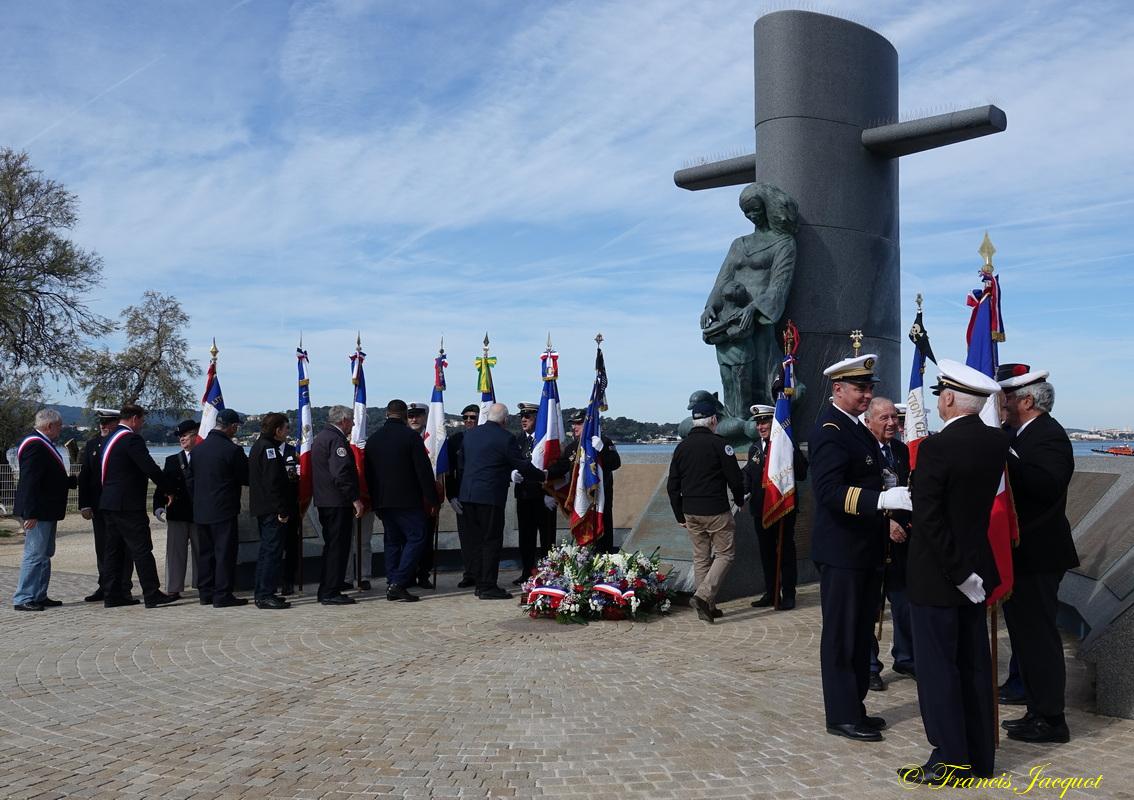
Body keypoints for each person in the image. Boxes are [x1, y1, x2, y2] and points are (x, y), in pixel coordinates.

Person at [901, 360, 1009, 785]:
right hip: (977, 573)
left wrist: (959, 572)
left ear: (948, 398)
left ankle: (950, 759)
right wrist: (968, 573)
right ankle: (980, 757)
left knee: (939, 671)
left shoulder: (937, 448)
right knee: (974, 665)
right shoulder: (997, 442)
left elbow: (930, 520)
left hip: (940, 576)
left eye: (940, 396)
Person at [809, 353, 911, 742]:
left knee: (859, 632)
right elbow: (829, 492)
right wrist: (880, 501)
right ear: (838, 389)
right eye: (860, 388)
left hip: (865, 549)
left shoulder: (857, 430)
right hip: (842, 551)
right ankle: (841, 715)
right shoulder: (830, 431)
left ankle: (856, 706)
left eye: (869, 388)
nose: (867, 395)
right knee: (842, 635)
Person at [998, 365, 1078, 744]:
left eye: (1007, 398)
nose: (1001, 404)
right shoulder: (1020, 434)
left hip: (1039, 555)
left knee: (1040, 639)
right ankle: (1035, 709)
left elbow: (1047, 485)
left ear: (1027, 401)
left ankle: (1052, 719)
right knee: (1025, 638)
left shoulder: (1050, 436)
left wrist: (1005, 453)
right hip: (1021, 554)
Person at [666, 400, 745, 624]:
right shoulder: (720, 445)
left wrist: (679, 514)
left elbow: (672, 486)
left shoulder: (681, 448)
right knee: (725, 554)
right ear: (713, 420)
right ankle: (703, 596)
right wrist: (739, 499)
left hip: (690, 511)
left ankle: (707, 607)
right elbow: (735, 478)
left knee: (701, 558)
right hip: (715, 510)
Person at [458, 403, 546, 599]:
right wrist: (543, 476)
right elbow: (521, 465)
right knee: (491, 541)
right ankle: (487, 586)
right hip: (489, 497)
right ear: (505, 420)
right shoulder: (506, 438)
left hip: (467, 495)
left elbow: (462, 464)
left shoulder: (470, 435)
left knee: (476, 542)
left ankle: (479, 582)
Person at [98, 404, 179, 609]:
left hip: (109, 501)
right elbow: (150, 467)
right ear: (134, 418)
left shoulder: (109, 438)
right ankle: (152, 593)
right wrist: (169, 489)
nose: (142, 424)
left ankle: (112, 594)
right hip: (128, 504)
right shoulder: (131, 439)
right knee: (142, 548)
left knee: (113, 551)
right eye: (142, 420)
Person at [364, 399, 439, 602]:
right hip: (407, 500)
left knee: (392, 541)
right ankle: (398, 582)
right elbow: (423, 471)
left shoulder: (374, 439)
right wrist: (433, 500)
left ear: (386, 414)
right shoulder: (411, 437)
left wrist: (374, 500)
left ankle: (392, 580)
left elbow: (368, 474)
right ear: (405, 415)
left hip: (382, 500)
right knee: (417, 537)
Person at [863, 397, 914, 691]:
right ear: (868, 421)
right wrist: (886, 523)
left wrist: (903, 523)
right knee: (870, 606)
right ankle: (870, 665)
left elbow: (907, 490)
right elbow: (861, 496)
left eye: (894, 417)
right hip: (873, 538)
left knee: (904, 603)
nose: (892, 423)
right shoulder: (862, 450)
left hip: (900, 542)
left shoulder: (901, 450)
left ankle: (905, 657)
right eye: (884, 418)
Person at [744, 403, 808, 611]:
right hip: (760, 510)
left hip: (783, 508)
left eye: (765, 422)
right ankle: (771, 593)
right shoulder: (755, 448)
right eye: (758, 423)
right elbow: (749, 475)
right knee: (767, 553)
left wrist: (791, 452)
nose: (760, 427)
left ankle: (788, 594)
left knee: (785, 552)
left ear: (775, 423)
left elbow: (802, 473)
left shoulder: (786, 445)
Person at [11, 409, 76, 611]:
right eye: (59, 426)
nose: (60, 429)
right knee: (34, 553)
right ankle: (23, 597)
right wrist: (30, 513)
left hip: (46, 509)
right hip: (38, 511)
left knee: (45, 553)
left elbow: (47, 476)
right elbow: (30, 480)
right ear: (49, 426)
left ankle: (39, 594)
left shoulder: (42, 443)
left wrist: (68, 481)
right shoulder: (35, 445)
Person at [192, 408, 250, 608]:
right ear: (232, 426)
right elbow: (246, 477)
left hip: (201, 509)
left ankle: (205, 592)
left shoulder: (198, 450)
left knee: (205, 553)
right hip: (224, 508)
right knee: (224, 553)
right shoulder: (232, 450)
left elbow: (191, 479)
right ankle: (223, 594)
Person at [77, 407, 133, 603]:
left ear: (117, 423)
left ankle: (124, 587)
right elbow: (85, 476)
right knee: (103, 547)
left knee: (124, 547)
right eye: (101, 422)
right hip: (98, 505)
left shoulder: (124, 442)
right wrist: (84, 504)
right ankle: (106, 585)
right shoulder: (92, 444)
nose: (103, 426)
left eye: (108, 422)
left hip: (120, 505)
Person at [547, 410, 621, 553]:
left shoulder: (603, 442)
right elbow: (560, 468)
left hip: (600, 501)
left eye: (579, 423)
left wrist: (602, 449)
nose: (574, 427)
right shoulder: (572, 447)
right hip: (580, 501)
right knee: (582, 542)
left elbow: (615, 463)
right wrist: (542, 474)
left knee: (603, 541)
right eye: (573, 424)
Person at [312, 405, 364, 605]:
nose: (353, 424)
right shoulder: (336, 440)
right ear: (343, 420)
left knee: (332, 546)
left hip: (326, 501)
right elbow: (341, 473)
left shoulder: (322, 437)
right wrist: (355, 499)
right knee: (338, 547)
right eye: (351, 421)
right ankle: (330, 591)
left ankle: (328, 587)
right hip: (337, 502)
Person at [248, 413, 293, 610]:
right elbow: (273, 482)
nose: (288, 432)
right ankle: (265, 594)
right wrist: (282, 509)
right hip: (271, 509)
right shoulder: (269, 449)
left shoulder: (259, 445)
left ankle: (264, 591)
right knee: (271, 552)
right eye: (286, 428)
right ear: (277, 430)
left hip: (264, 507)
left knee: (267, 551)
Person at [510, 402, 558, 584]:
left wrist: (550, 492)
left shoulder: (547, 440)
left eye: (528, 416)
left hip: (544, 497)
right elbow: (509, 461)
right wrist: (511, 474)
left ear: (538, 418)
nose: (523, 420)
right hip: (524, 496)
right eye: (522, 416)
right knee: (526, 538)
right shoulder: (517, 440)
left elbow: (555, 466)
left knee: (547, 539)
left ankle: (548, 574)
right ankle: (527, 572)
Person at [153, 420, 200, 602]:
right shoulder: (172, 460)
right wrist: (158, 505)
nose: (182, 439)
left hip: (199, 513)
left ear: (196, 435)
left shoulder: (204, 457)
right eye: (180, 436)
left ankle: (203, 585)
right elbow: (163, 485)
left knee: (201, 551)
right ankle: (173, 588)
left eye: (185, 435)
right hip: (178, 512)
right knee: (175, 553)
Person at [445, 403, 481, 589]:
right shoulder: (456, 440)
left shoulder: (485, 438)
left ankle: (483, 574)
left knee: (483, 538)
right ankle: (470, 573)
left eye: (472, 417)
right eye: (465, 417)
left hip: (482, 496)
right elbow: (449, 470)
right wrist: (451, 495)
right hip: (462, 496)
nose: (468, 420)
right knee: (466, 539)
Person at [406, 401, 434, 589]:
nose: (414, 419)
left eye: (418, 415)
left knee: (427, 539)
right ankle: (408, 575)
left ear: (425, 417)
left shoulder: (433, 439)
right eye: (410, 415)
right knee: (407, 539)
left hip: (427, 497)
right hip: (408, 497)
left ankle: (424, 574)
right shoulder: (403, 437)